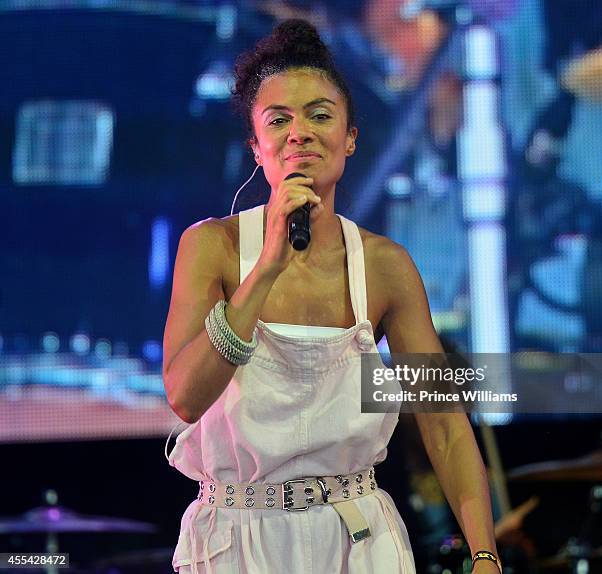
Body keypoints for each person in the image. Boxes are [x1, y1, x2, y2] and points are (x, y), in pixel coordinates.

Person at [163, 19, 500, 574]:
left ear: (349, 137)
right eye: (279, 120)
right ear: (256, 147)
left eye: (320, 115)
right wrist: (266, 267)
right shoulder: (212, 247)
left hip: (358, 541)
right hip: (237, 542)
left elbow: (442, 422)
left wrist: (484, 554)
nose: (301, 133)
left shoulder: (386, 266)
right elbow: (186, 398)